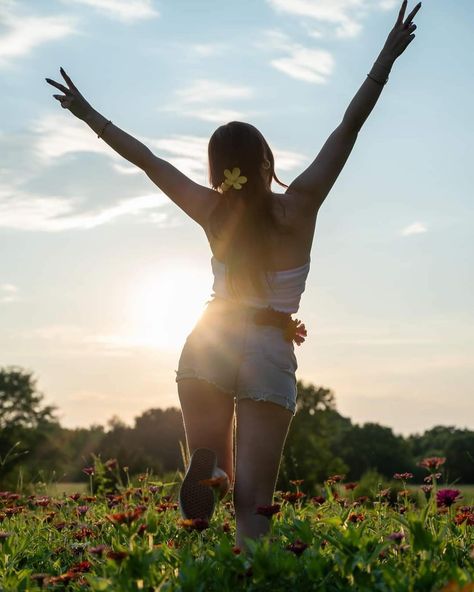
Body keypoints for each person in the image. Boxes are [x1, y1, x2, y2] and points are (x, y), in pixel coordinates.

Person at [45, 0, 421, 552]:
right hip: (269, 347)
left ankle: (211, 473)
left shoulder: (212, 211)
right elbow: (350, 126)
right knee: (255, 501)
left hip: (208, 342)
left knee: (210, 459)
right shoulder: (300, 207)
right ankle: (246, 560)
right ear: (267, 161)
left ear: (218, 173)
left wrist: (90, 115)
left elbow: (150, 161)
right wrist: (385, 57)